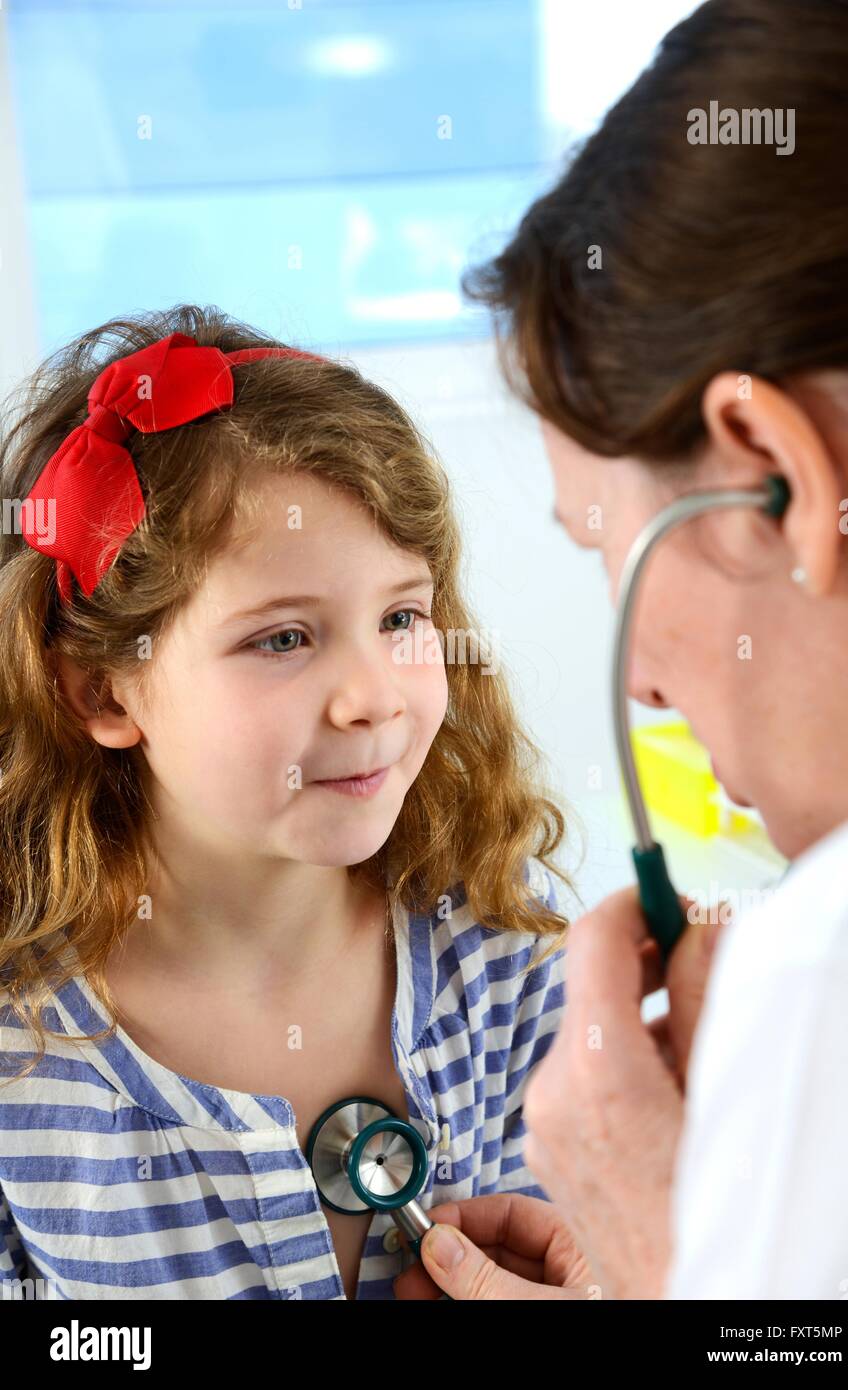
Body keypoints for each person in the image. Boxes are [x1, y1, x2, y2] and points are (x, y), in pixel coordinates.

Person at [393, 0, 848, 1300]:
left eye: (602, 545)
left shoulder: (840, 964)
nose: (638, 683)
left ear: (775, 477)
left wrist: (658, 1257)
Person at [0, 308, 575, 1300]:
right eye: (283, 639)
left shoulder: (498, 932)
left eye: (401, 616)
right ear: (101, 689)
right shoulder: (28, 1056)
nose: (374, 697)